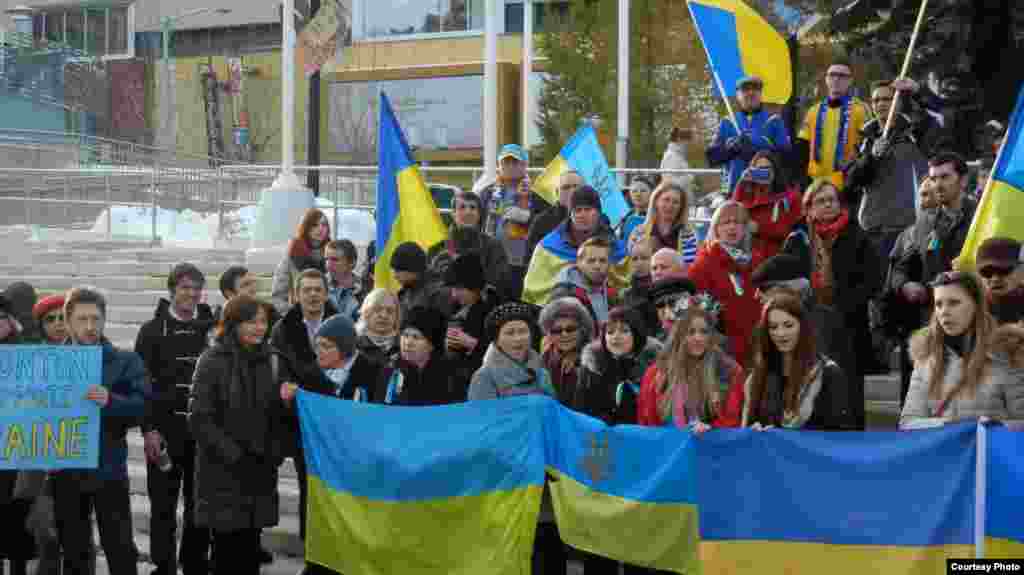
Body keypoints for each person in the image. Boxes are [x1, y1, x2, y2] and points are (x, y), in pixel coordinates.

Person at [189, 296, 288, 575]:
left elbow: (280, 415)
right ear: (233, 324)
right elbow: (199, 418)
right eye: (251, 321)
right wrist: (233, 454)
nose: (259, 328)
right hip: (223, 472)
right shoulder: (212, 360)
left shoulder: (273, 360)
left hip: (260, 470)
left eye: (263, 322)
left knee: (250, 550)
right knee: (226, 552)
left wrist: (274, 451)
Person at [465, 302, 564, 575]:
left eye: (523, 331)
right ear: (496, 339)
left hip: (544, 474)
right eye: (510, 333)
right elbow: (481, 431)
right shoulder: (484, 377)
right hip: (509, 478)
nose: (518, 338)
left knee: (548, 550)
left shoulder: (542, 372)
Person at [54, 287, 147, 575]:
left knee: (119, 547)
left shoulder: (125, 361)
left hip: (108, 470)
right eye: (82, 319)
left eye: (96, 318)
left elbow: (143, 407)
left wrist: (111, 401)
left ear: (105, 320)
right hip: (65, 471)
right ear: (68, 322)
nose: (90, 326)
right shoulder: (48, 363)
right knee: (74, 550)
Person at [133, 263, 215, 575]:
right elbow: (141, 385)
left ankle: (194, 563)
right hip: (164, 432)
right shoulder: (151, 331)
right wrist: (149, 430)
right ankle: (163, 565)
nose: (191, 294)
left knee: (200, 504)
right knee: (162, 506)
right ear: (171, 291)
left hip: (203, 435)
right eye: (184, 287)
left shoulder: (213, 328)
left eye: (196, 288)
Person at [784, 179, 879, 428]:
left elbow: (872, 280)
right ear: (809, 207)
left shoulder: (857, 235)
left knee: (849, 390)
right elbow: (786, 273)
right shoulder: (798, 237)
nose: (827, 205)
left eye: (832, 200)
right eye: (820, 200)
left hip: (848, 324)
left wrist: (841, 306)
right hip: (808, 324)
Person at [900, 271, 1024, 429]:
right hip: (945, 453)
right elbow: (907, 422)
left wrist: (993, 427)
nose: (944, 312)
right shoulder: (925, 355)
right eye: (939, 304)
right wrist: (948, 425)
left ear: (976, 306)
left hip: (992, 452)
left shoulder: (1008, 352)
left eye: (954, 303)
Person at [268, 269, 338, 549]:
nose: (312, 295)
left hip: (335, 419)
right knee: (309, 485)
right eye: (306, 290)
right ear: (296, 294)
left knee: (333, 488)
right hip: (301, 420)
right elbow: (282, 374)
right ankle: (311, 549)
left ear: (325, 293)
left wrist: (308, 376)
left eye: (317, 289)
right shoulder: (283, 329)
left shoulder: (341, 323)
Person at [741, 288, 856, 430]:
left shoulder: (828, 374)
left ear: (802, 326)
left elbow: (841, 437)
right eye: (773, 327)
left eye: (788, 325)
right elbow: (747, 427)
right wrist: (754, 432)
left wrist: (787, 439)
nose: (781, 333)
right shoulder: (758, 376)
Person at [844, 80, 929, 267]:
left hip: (907, 227)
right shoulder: (865, 138)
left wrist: (916, 92)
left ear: (897, 102)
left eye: (887, 99)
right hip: (872, 228)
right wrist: (871, 157)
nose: (881, 104)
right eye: (876, 100)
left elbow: (934, 116)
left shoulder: (914, 133)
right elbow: (851, 182)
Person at [751, 253, 855, 395]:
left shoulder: (822, 324)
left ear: (790, 290)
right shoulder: (765, 325)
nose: (756, 295)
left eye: (763, 288)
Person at [638, 294, 745, 429]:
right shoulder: (656, 373)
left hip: (713, 446)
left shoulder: (730, 371)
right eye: (690, 332)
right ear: (678, 334)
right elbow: (647, 423)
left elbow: (733, 419)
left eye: (704, 332)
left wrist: (710, 429)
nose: (698, 338)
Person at [523, 185, 628, 306]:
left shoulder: (617, 248)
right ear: (570, 214)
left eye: (588, 209)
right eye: (577, 210)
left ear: (598, 213)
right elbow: (533, 291)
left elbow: (626, 288)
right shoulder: (547, 247)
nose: (582, 215)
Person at [688, 200, 762, 367]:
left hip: (755, 348)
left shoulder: (757, 261)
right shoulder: (703, 264)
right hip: (720, 354)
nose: (732, 227)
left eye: (738, 222)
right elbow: (696, 313)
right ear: (715, 228)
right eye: (726, 222)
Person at [479, 144, 552, 294]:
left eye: (515, 162)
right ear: (499, 165)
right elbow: (479, 224)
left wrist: (528, 217)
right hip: (493, 261)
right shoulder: (487, 193)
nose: (510, 166)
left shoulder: (538, 195)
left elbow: (547, 226)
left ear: (525, 165)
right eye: (506, 162)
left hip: (526, 263)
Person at [579, 306, 662, 426]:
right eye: (610, 332)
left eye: (624, 331)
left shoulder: (655, 367)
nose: (616, 337)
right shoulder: (592, 367)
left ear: (636, 334)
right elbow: (581, 411)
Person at [795, 60, 872, 189]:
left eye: (842, 76)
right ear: (826, 79)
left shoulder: (862, 109)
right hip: (816, 184)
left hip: (848, 182)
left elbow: (868, 145)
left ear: (850, 81)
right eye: (832, 75)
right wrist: (802, 180)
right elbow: (803, 146)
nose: (836, 79)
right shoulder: (813, 111)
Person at [706, 76, 791, 193]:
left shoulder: (774, 121)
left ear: (761, 94)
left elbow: (786, 158)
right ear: (738, 95)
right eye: (745, 89)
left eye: (755, 89)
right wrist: (731, 149)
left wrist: (757, 147)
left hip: (766, 191)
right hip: (734, 191)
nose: (750, 92)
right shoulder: (727, 122)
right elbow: (712, 159)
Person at [280, 313, 387, 405]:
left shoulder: (375, 374)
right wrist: (289, 400)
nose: (318, 352)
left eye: (326, 346)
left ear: (345, 349)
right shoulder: (310, 375)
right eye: (317, 346)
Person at [428, 190, 511, 299]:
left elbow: (500, 281)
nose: (468, 212)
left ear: (479, 214)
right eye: (462, 207)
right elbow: (430, 284)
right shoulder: (437, 247)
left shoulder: (494, 246)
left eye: (472, 208)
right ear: (453, 214)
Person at [443, 252, 499, 398]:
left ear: (474, 286)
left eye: (459, 289)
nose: (454, 294)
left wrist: (473, 343)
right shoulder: (456, 308)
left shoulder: (495, 309)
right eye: (452, 289)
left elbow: (504, 352)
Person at [731, 150, 803, 262]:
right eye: (759, 169)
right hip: (748, 256)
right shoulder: (747, 195)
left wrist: (759, 228)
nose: (764, 172)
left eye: (768, 168)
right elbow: (732, 211)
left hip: (778, 257)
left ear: (775, 170)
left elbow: (790, 231)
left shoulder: (790, 197)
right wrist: (742, 182)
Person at [383, 306, 461, 405]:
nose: (408, 343)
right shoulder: (391, 370)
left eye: (416, 337)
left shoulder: (449, 375)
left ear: (431, 345)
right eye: (405, 335)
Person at [271, 208, 330, 315]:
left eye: (324, 225)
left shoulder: (332, 253)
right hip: (299, 318)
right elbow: (278, 296)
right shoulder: (293, 252)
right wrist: (294, 315)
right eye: (315, 225)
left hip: (327, 317)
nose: (320, 229)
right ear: (306, 227)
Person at [538, 297, 595, 408]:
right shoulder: (545, 357)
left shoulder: (595, 359)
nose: (564, 334)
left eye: (571, 329)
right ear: (549, 334)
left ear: (582, 330)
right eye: (557, 330)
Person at [551, 237, 618, 326]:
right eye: (591, 261)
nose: (597, 266)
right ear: (579, 263)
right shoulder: (564, 295)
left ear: (609, 264)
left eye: (602, 261)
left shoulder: (612, 294)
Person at [628, 181, 699, 264]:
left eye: (675, 202)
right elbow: (634, 266)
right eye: (666, 200)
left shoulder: (688, 234)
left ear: (681, 207)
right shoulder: (639, 232)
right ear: (656, 202)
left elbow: (689, 266)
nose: (670, 205)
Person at [527, 170, 585, 261]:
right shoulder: (541, 222)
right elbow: (529, 259)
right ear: (557, 193)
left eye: (576, 187)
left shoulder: (598, 219)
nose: (572, 191)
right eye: (566, 187)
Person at [390, 242, 445, 320]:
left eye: (398, 271)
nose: (395, 276)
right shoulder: (403, 295)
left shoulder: (438, 293)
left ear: (413, 268)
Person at [976, 238, 1024, 325]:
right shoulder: (971, 309)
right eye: (987, 272)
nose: (995, 279)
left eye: (1004, 270)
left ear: (1021, 270)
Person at [354, 288, 401, 367]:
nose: (384, 315)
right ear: (366, 312)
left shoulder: (405, 345)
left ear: (396, 316)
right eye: (377, 309)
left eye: (390, 311)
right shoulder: (351, 343)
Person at [324, 239, 363, 322]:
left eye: (335, 260)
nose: (328, 264)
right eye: (326, 259)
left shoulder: (366, 287)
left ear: (352, 262)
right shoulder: (318, 286)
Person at [617, 176, 656, 243]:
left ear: (652, 193)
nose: (638, 194)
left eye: (643, 191)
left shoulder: (657, 217)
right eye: (634, 191)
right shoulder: (625, 217)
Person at [660, 126, 696, 197]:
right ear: (679, 139)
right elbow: (670, 181)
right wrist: (689, 177)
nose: (689, 144)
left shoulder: (678, 156)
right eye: (688, 141)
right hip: (675, 198)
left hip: (680, 197)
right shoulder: (671, 156)